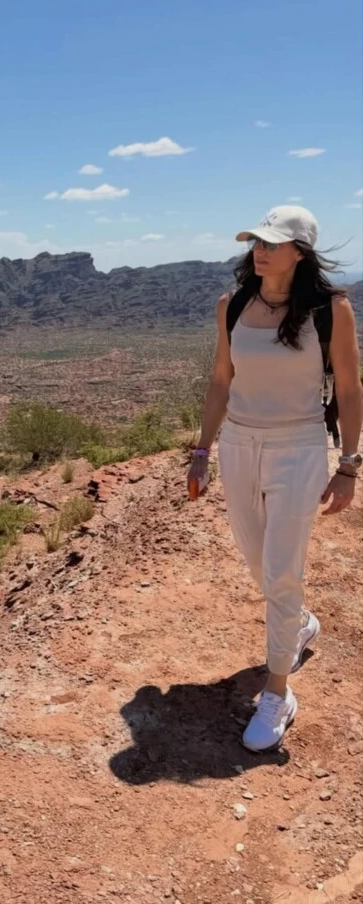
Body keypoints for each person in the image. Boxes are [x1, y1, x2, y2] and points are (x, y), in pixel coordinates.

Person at [188, 205, 362, 752]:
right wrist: (201, 451)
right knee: (260, 562)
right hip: (240, 444)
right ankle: (300, 622)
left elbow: (351, 390)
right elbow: (221, 380)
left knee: (282, 571)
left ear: (300, 252)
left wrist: (350, 465)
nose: (259, 250)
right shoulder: (233, 304)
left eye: (272, 243)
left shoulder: (330, 310)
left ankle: (277, 693)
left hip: (299, 447)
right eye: (255, 241)